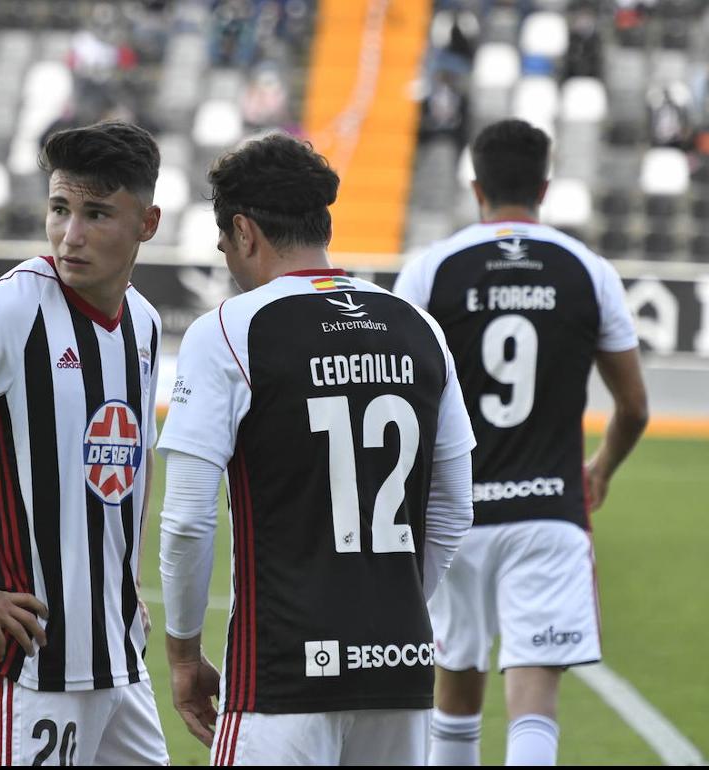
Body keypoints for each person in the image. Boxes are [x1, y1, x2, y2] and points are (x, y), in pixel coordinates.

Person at [157, 133, 476, 766]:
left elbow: (189, 521)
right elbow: (454, 507)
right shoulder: (418, 325)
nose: (225, 256)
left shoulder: (227, 329)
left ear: (244, 232)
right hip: (400, 667)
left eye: (223, 241)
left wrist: (185, 655)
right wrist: (387, 610)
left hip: (278, 677)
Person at [0, 121, 170, 765]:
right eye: (59, 209)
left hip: (116, 656)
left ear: (147, 222)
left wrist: (122, 586)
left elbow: (133, 458)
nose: (70, 235)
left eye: (96, 213)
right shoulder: (8, 313)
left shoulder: (146, 324)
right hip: (24, 660)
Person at [393, 118, 649, 766]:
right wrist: (602, 468)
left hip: (454, 515)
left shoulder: (430, 271)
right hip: (550, 511)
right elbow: (635, 407)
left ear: (475, 185)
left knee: (454, 695)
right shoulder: (587, 271)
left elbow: (401, 399)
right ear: (545, 185)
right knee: (534, 706)